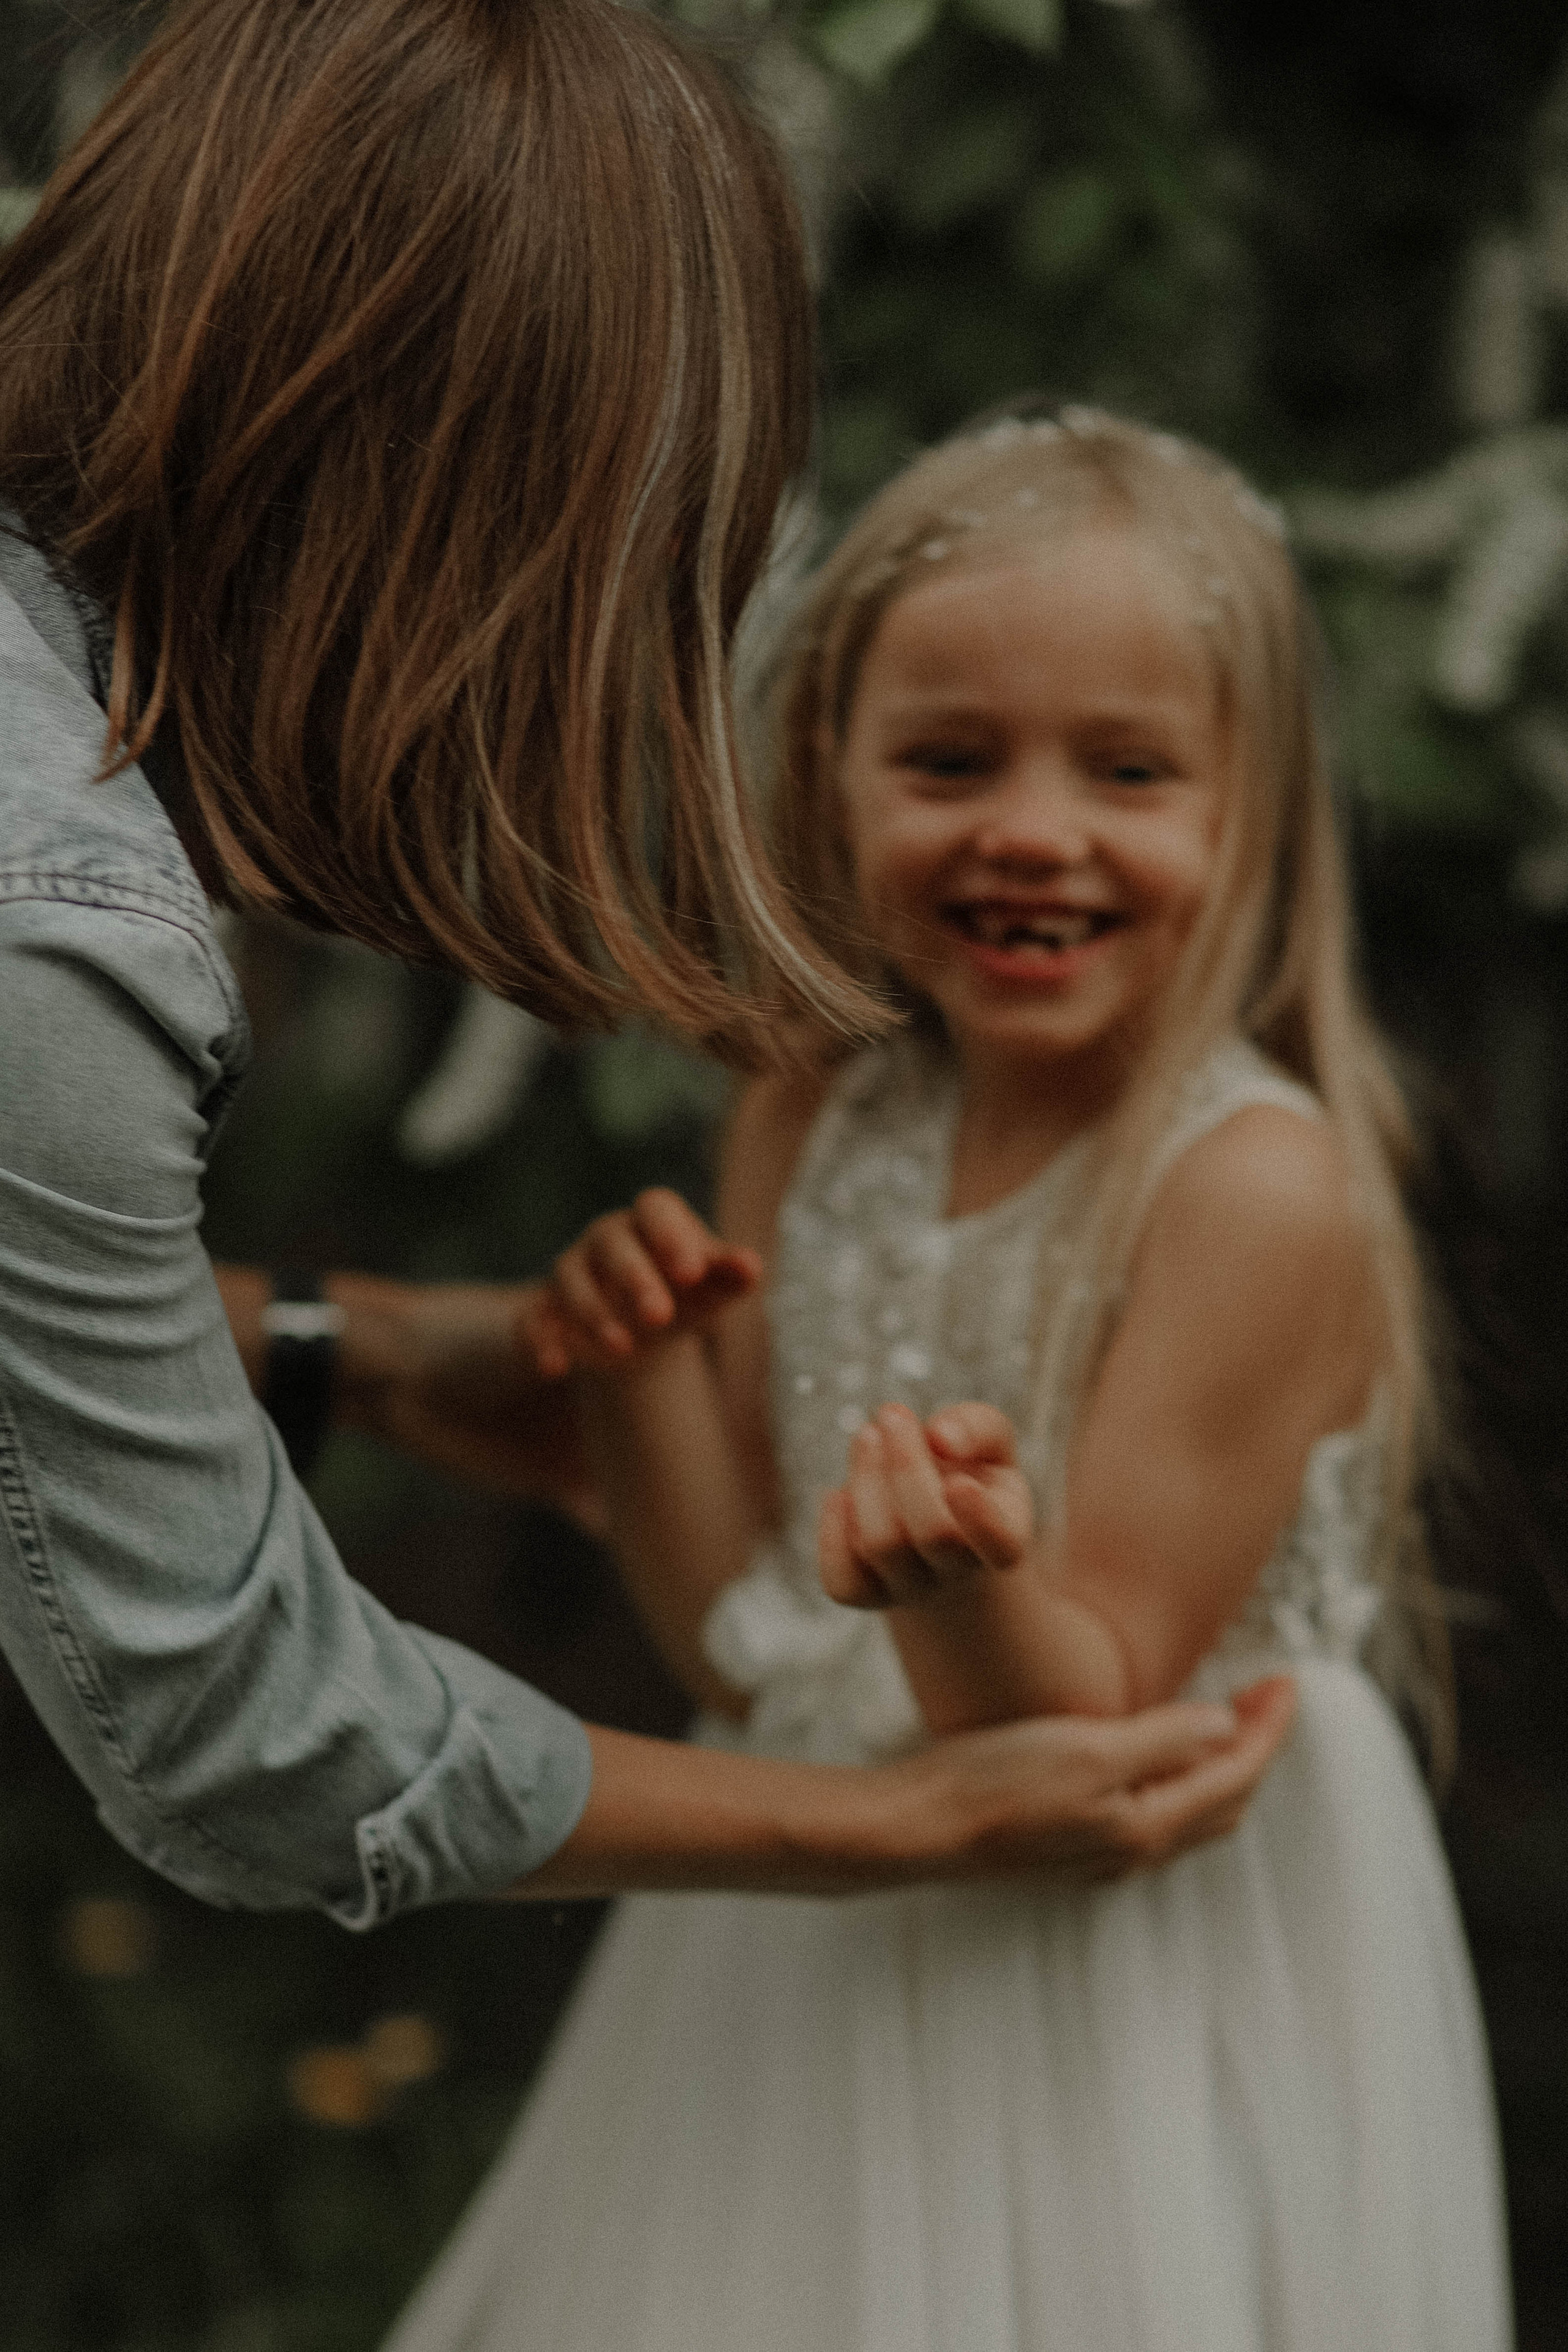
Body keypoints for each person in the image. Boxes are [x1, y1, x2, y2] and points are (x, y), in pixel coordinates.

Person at [0, 0, 1290, 1935]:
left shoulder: (1257, 1182)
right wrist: (906, 1823)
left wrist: (373, 1345)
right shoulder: (60, 930)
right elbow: (247, 1735)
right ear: (492, 521)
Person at [382, 410, 1510, 2352]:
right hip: (809, 1910)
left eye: (1130, 770)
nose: (1032, 829)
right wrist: (638, 1372)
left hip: (1130, 1933)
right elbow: (742, 1649)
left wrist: (962, 1586)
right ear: (830, 780)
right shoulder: (810, 1097)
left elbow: (1082, 1728)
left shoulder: (1253, 1187)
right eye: (949, 760)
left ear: (1245, 813)